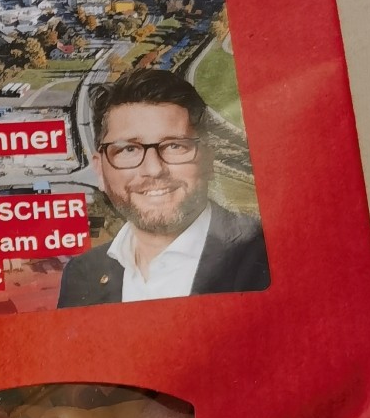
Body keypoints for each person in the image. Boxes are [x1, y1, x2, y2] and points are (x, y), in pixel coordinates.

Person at [57, 66, 269, 306]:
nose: (154, 169)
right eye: (128, 149)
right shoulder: (81, 275)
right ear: (100, 171)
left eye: (174, 146)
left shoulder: (268, 257)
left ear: (208, 159)